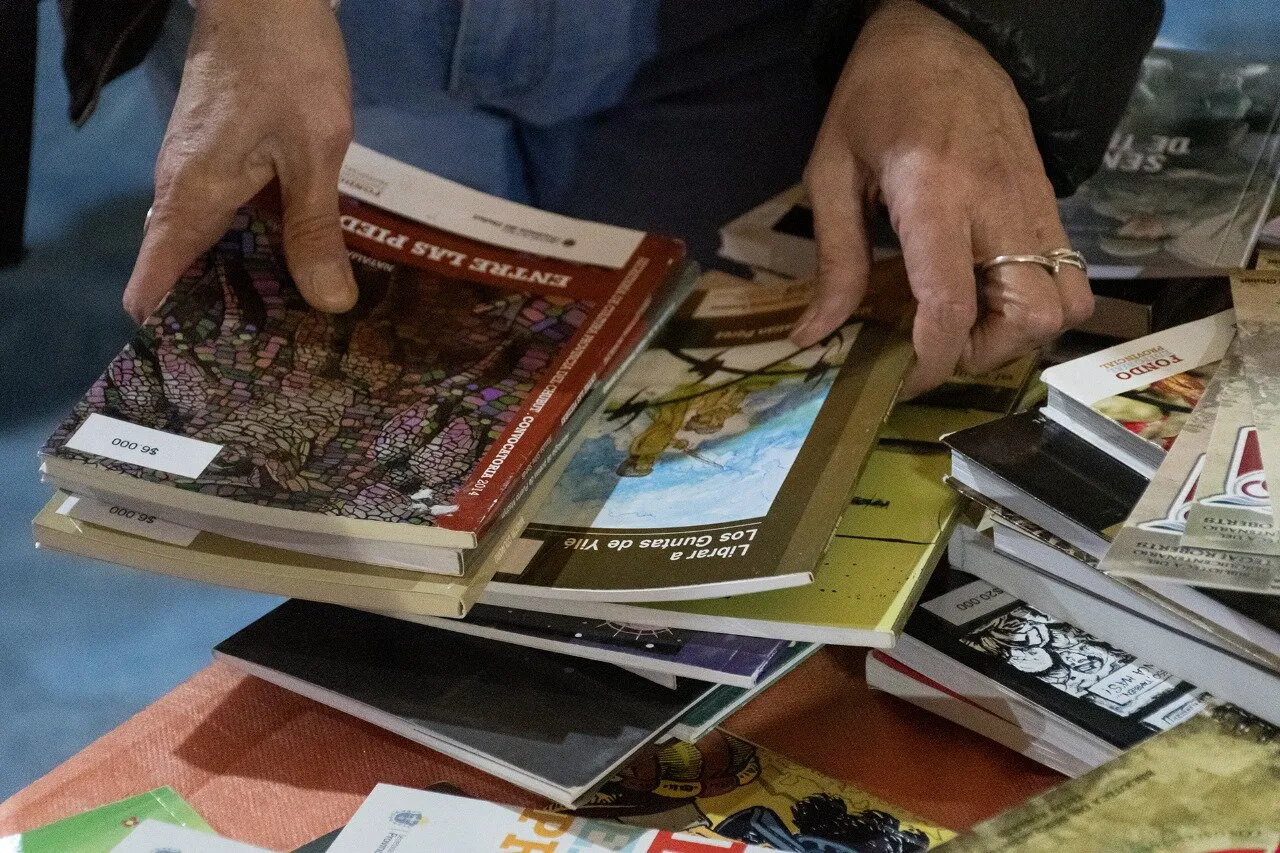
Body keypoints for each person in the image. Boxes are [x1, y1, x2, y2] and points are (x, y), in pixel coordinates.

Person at [59, 0, 1162, 396]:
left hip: (748, 37)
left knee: (707, 482)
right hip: (326, 29)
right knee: (377, 552)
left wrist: (955, 16)